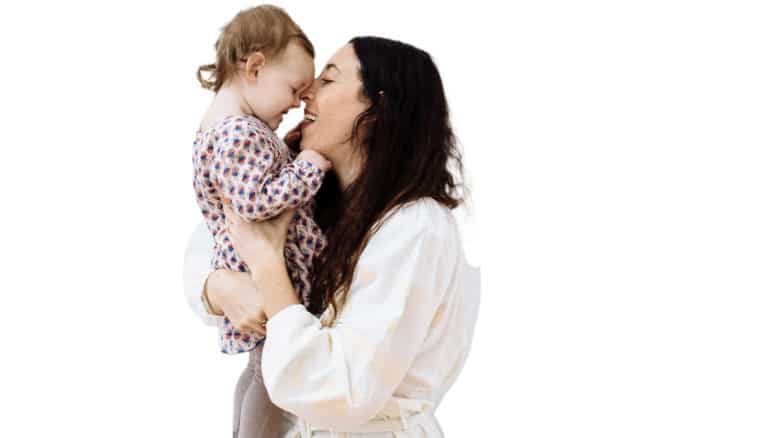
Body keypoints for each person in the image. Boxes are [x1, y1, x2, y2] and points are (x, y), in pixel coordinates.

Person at [185, 36, 481, 437]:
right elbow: (210, 241)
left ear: (377, 108)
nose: (306, 93)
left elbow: (339, 391)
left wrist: (268, 266)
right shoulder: (314, 198)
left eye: (328, 80)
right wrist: (216, 286)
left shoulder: (416, 227)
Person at [192, 5, 331, 437]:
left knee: (261, 371)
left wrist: (287, 151)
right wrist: (308, 166)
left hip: (253, 274)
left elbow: (256, 177)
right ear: (254, 67)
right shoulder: (238, 133)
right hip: (260, 278)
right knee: (273, 380)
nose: (298, 102)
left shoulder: (233, 128)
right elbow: (257, 202)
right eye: (294, 88)